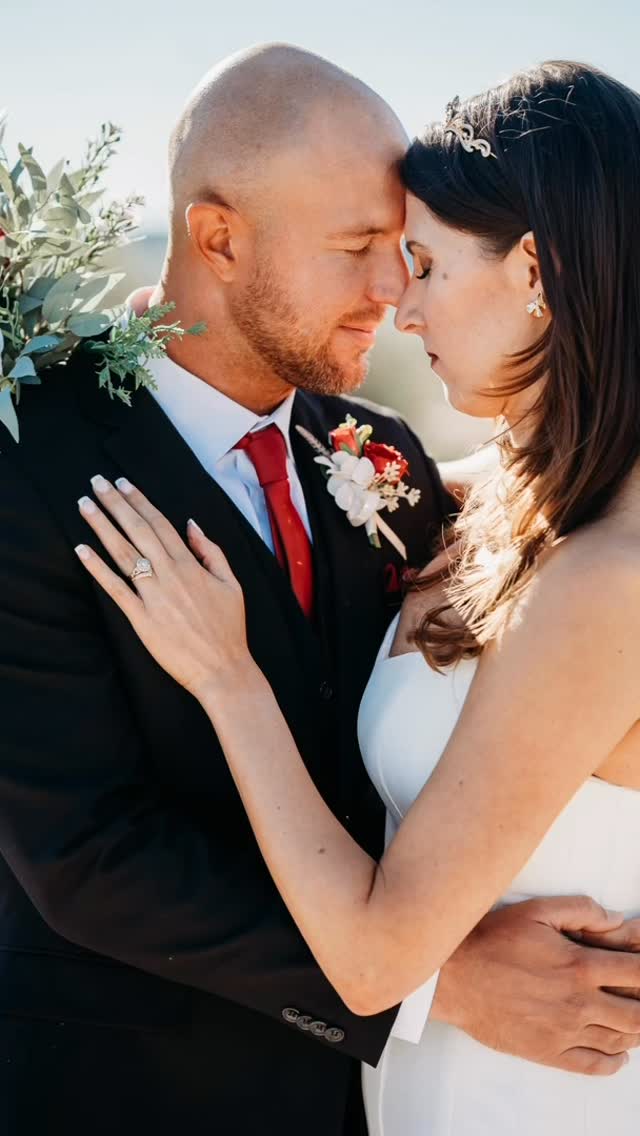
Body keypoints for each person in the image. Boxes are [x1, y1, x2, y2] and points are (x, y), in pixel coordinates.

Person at [2, 45, 640, 1136]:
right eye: (357, 250)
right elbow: (87, 851)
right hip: (131, 1096)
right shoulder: (31, 457)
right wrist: (437, 985)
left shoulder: (386, 454)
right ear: (218, 237)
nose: (391, 294)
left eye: (410, 257)